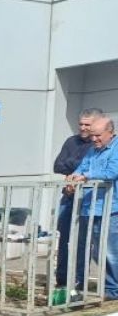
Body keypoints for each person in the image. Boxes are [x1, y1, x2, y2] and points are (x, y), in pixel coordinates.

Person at [67, 116, 118, 301]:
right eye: (92, 136)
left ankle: (113, 290)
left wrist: (86, 176)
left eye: (98, 135)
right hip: (89, 207)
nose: (94, 139)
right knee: (85, 249)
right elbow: (81, 168)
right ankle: (80, 284)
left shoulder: (116, 149)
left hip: (110, 208)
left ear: (110, 133)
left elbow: (112, 172)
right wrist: (73, 179)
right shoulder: (92, 151)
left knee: (109, 252)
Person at [54, 108, 102, 294]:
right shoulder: (71, 141)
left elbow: (94, 167)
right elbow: (58, 165)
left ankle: (81, 280)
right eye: (81, 123)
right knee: (64, 237)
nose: (83, 127)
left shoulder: (99, 144)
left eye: (87, 124)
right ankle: (62, 279)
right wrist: (78, 168)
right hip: (69, 196)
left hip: (90, 198)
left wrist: (77, 170)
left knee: (86, 241)